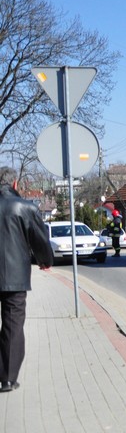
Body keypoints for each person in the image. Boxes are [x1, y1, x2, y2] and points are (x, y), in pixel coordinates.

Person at [0, 166, 54, 393]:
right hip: (15, 278)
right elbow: (40, 240)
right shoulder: (26, 207)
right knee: (13, 326)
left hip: (14, 277)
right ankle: (8, 379)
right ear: (14, 184)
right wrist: (45, 261)